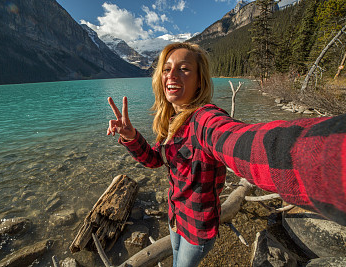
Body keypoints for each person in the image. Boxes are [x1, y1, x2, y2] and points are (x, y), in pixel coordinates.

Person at [107, 42, 346, 267]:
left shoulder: (204, 119)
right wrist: (131, 137)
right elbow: (155, 160)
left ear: (200, 81)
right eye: (166, 69)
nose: (171, 75)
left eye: (184, 69)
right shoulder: (170, 122)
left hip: (198, 228)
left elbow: (237, 141)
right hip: (175, 217)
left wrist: (325, 156)